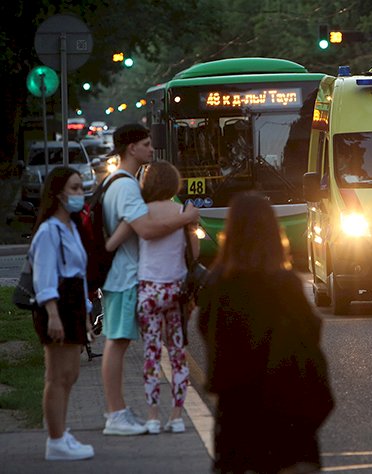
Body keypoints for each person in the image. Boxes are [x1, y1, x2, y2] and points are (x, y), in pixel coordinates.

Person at [198, 192, 332, 474]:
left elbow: (208, 335)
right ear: (274, 231)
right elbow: (309, 335)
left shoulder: (216, 284)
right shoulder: (284, 285)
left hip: (235, 417)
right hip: (286, 418)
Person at [100, 123, 199, 436]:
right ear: (131, 148)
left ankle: (150, 415)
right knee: (168, 352)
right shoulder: (136, 192)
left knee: (150, 353)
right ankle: (167, 415)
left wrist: (110, 245)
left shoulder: (130, 195)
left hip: (145, 289)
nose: (151, 149)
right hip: (154, 284)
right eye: (146, 144)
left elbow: (118, 239)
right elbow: (181, 247)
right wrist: (184, 219)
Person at [29, 166, 95, 460]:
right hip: (56, 306)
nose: (80, 194)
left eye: (81, 187)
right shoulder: (48, 231)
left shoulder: (71, 228)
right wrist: (53, 314)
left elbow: (79, 274)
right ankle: (55, 440)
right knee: (56, 375)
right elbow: (44, 276)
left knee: (71, 374)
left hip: (74, 306)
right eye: (74, 188)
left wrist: (86, 314)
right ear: (57, 194)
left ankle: (62, 432)